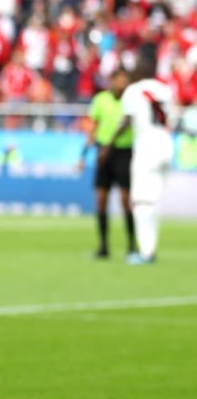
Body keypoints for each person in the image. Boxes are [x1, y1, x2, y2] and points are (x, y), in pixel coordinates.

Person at [101, 56, 177, 265]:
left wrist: (109, 144)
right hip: (166, 145)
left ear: (138, 74)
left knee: (142, 201)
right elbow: (172, 118)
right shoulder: (166, 89)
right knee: (152, 200)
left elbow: (125, 121)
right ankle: (150, 247)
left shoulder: (133, 91)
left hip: (147, 146)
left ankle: (146, 251)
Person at [79, 68, 135, 260]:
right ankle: (103, 246)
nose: (122, 84)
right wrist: (83, 154)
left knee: (125, 199)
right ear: (111, 81)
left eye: (124, 80)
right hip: (103, 153)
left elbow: (127, 123)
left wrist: (107, 147)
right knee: (101, 199)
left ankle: (131, 246)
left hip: (123, 151)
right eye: (119, 80)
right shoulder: (100, 100)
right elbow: (93, 127)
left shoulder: (131, 100)